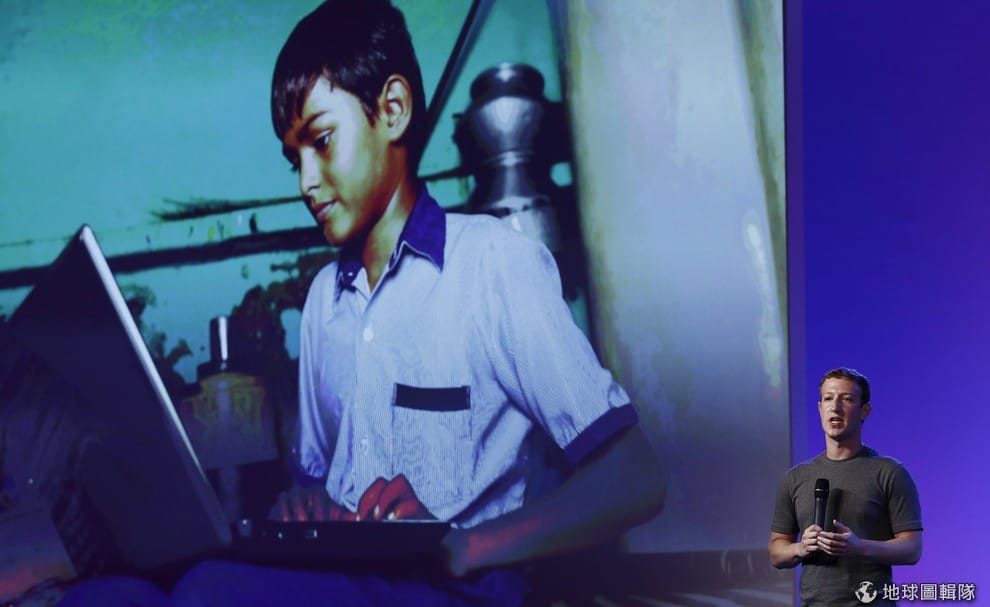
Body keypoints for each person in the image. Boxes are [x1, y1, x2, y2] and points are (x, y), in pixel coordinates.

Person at [769, 367, 922, 606]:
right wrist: (800, 547)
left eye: (847, 399)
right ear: (820, 408)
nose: (835, 407)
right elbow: (777, 551)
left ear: (864, 411)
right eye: (828, 399)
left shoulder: (890, 472)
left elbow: (912, 549)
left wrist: (859, 547)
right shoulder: (796, 477)